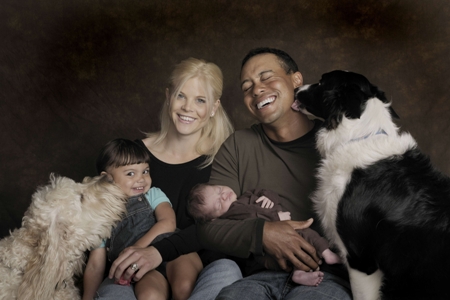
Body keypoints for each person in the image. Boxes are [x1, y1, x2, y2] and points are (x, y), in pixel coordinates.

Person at [196, 47, 352, 299]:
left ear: (296, 79)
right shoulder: (238, 146)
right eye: (247, 87)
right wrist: (263, 233)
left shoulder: (338, 139)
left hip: (327, 278)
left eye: (266, 77)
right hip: (259, 277)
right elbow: (208, 228)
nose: (256, 90)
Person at [105, 58, 239, 300]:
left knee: (216, 278)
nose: (188, 107)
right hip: (138, 264)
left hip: (196, 269)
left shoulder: (224, 158)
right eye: (181, 96)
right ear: (168, 97)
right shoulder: (134, 156)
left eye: (200, 100)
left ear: (213, 108)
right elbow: (104, 210)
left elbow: (231, 225)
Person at [83, 138, 200, 300]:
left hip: (174, 251)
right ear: (107, 179)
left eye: (145, 171)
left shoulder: (152, 195)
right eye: (131, 173)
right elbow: (96, 265)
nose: (141, 179)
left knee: (184, 287)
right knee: (149, 295)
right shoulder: (100, 216)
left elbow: (168, 223)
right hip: (143, 270)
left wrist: (137, 249)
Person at [187, 183, 341, 287]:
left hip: (285, 230)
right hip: (266, 248)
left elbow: (265, 191)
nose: (224, 196)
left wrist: (269, 197)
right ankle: (303, 269)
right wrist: (276, 219)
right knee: (298, 242)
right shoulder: (233, 215)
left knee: (307, 234)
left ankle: (324, 254)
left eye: (219, 190)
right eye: (219, 204)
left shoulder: (246, 196)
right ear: (215, 218)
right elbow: (254, 221)